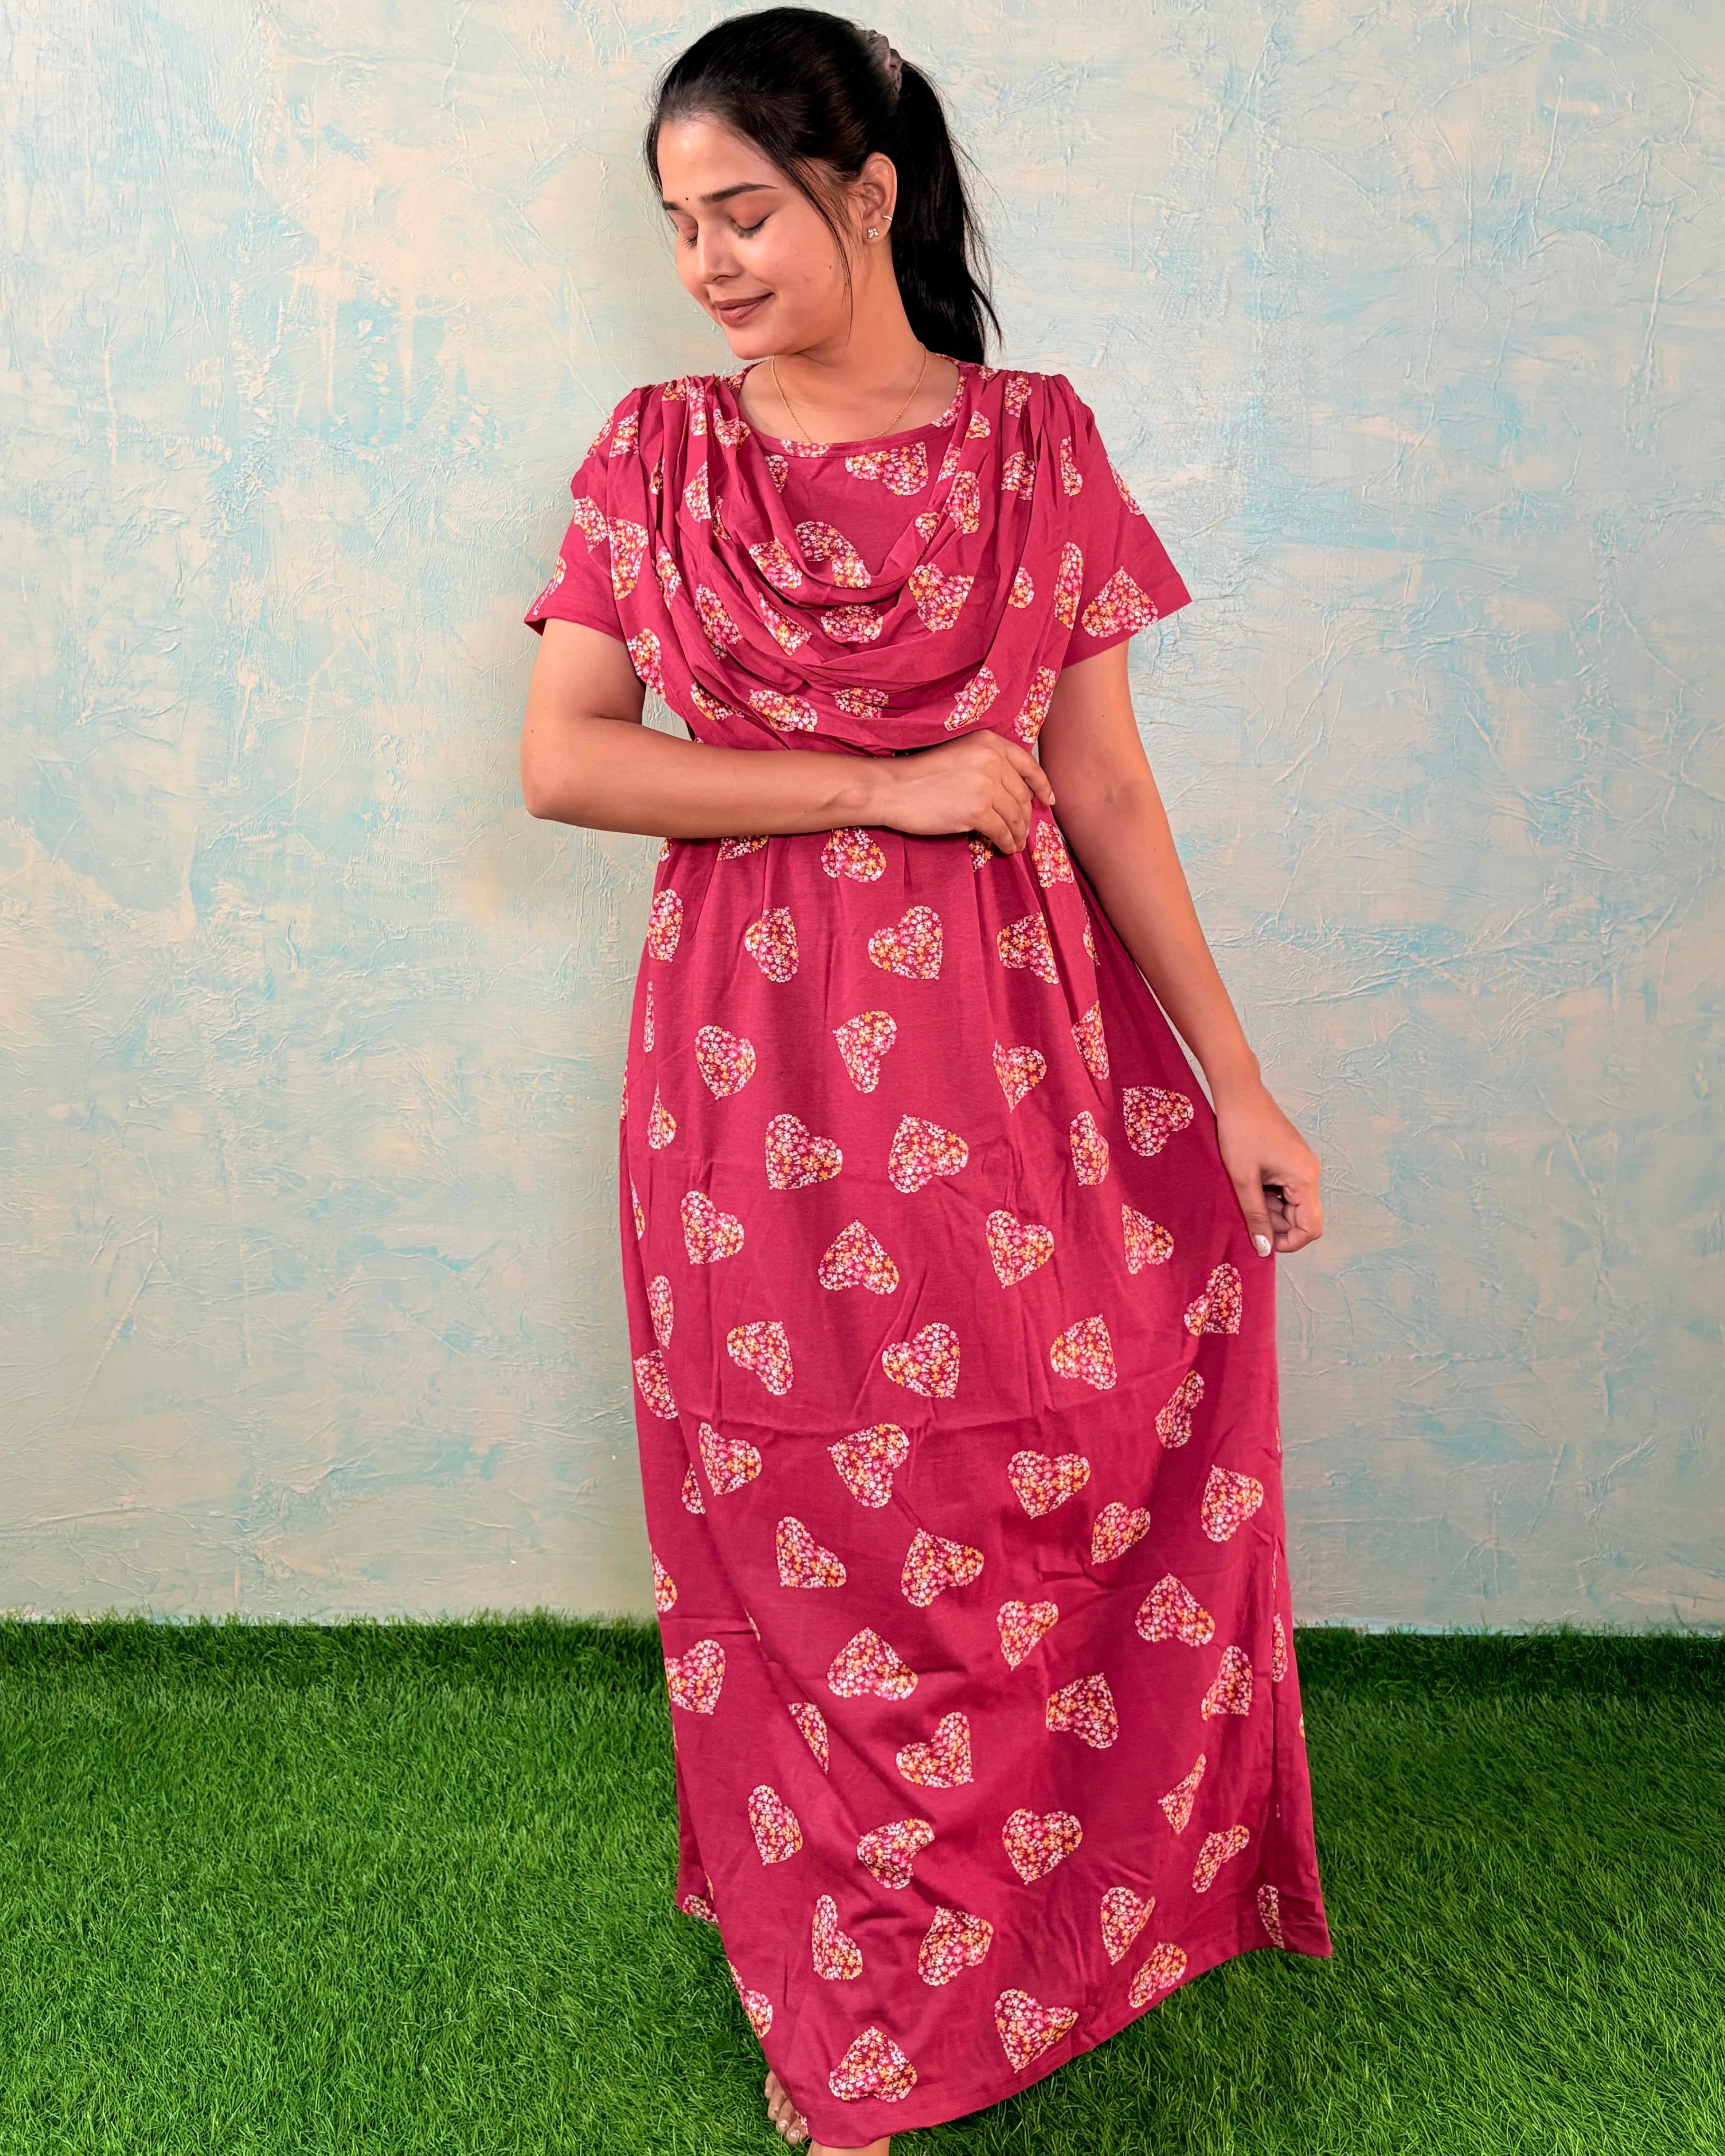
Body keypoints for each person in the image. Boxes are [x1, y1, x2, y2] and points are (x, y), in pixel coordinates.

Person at [518, 9, 1331, 2149]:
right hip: (745, 1083)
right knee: (793, 1516)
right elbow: (568, 761)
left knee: (1013, 1494)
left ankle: (1013, 1939)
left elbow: (1107, 790)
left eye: (745, 212)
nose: (706, 262)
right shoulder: (654, 456)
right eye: (678, 223)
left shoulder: (1039, 449)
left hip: (1020, 1069)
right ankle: (855, 1993)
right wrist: (878, 782)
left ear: (867, 194)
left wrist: (1238, 1084)